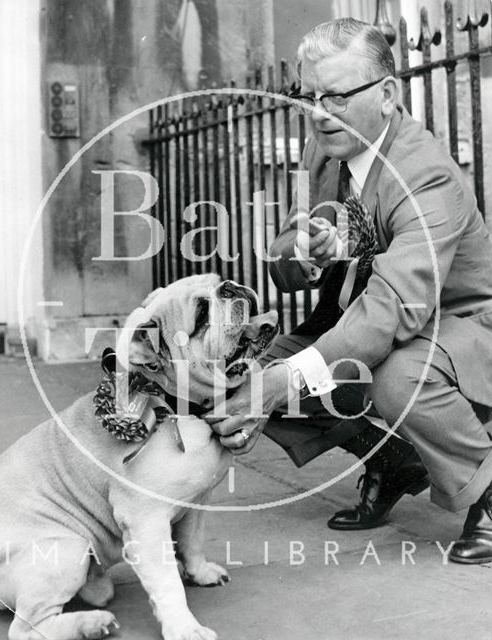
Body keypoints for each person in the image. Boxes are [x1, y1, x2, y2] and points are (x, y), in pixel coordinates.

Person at [205, 17, 492, 564]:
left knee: (393, 374)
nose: (317, 112)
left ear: (386, 95)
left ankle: (491, 494)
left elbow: (392, 309)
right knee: (246, 370)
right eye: (308, 96)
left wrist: (285, 381)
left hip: (459, 328)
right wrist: (306, 255)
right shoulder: (327, 149)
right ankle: (388, 460)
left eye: (334, 97)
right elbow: (285, 253)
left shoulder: (426, 176)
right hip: (369, 321)